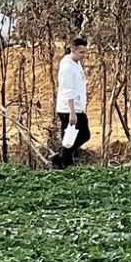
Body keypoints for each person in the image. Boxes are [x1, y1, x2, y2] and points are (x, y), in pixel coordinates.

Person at [50, 37, 90, 169]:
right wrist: (72, 112)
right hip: (69, 109)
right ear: (73, 50)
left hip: (78, 107)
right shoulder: (67, 67)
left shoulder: (76, 63)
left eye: (85, 52)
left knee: (81, 136)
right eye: (81, 52)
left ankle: (61, 159)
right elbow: (68, 90)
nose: (83, 55)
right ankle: (62, 160)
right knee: (75, 136)